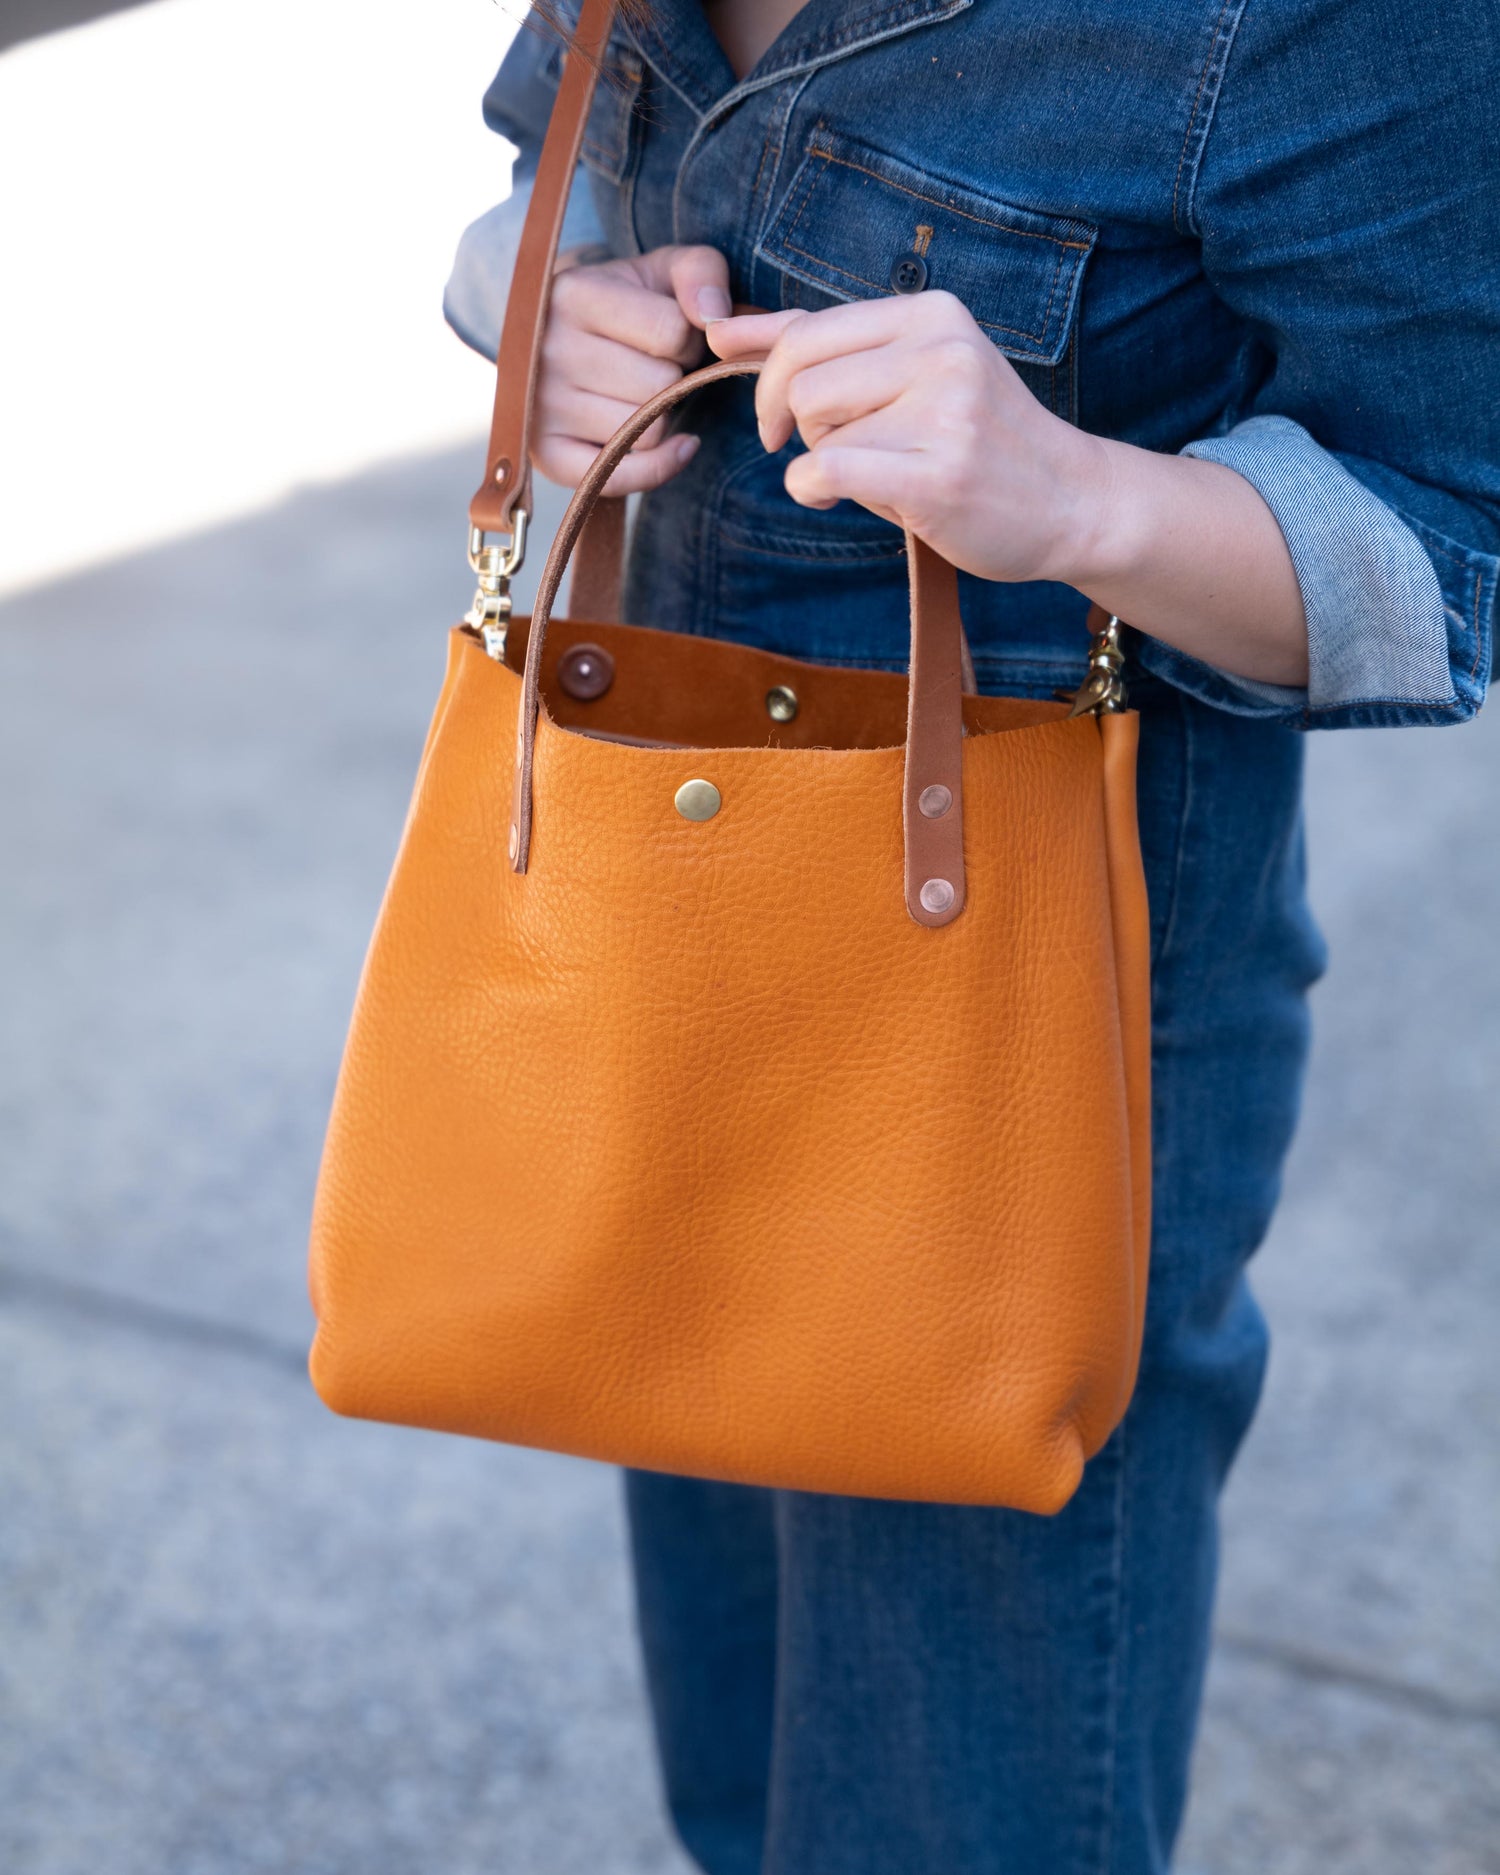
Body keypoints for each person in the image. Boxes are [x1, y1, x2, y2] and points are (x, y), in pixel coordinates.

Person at [443, 3, 1500, 1869]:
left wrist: (1078, 497)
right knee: (751, 1765)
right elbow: (562, 170)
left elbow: (1450, 551)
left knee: (946, 1798)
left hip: (1027, 1005)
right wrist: (541, 322)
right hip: (674, 933)